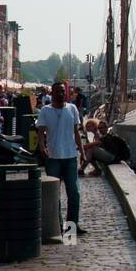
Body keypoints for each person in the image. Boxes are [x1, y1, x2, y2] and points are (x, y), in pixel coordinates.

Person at [36, 81, 85, 236]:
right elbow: (41, 131)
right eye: (57, 91)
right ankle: (57, 225)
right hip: (53, 157)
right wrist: (42, 146)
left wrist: (82, 152)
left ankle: (72, 227)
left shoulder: (72, 108)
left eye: (63, 91)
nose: (61, 94)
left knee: (74, 192)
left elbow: (76, 132)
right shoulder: (45, 110)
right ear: (52, 93)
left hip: (70, 155)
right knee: (54, 193)